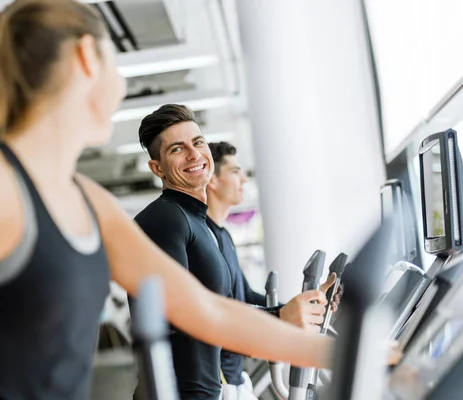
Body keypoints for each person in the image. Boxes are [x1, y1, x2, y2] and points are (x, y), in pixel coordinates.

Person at [0, 1, 341, 399]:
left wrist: (349, 352)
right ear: (86, 57)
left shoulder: (85, 199)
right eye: (116, 65)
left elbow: (207, 311)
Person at [131, 105, 339, 400]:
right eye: (178, 149)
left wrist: (296, 309)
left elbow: (225, 306)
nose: (194, 154)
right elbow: (182, 317)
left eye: (198, 142)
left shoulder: (197, 222)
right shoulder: (165, 220)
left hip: (207, 391)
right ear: (158, 168)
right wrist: (279, 317)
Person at [205, 141, 343, 399]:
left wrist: (301, 309)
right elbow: (219, 311)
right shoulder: (204, 240)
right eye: (235, 171)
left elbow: (246, 297)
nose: (244, 180)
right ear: (212, 180)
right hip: (218, 379)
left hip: (235, 375)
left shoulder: (223, 236)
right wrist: (285, 315)